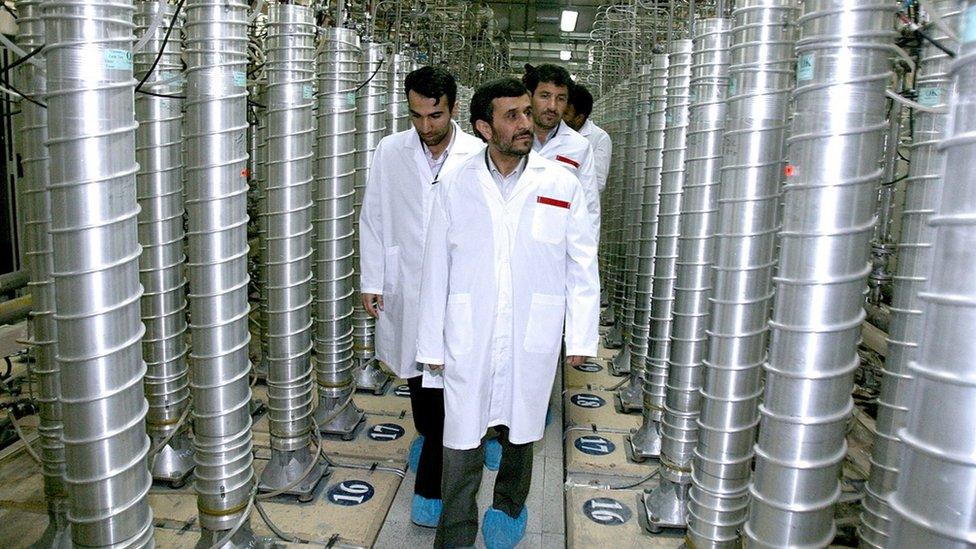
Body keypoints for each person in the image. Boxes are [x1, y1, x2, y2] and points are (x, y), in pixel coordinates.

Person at [415, 78, 600, 548]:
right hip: (469, 328)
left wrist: (580, 335)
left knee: (523, 425)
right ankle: (455, 532)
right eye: (512, 116)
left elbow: (581, 261)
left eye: (526, 112)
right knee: (461, 437)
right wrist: (430, 345)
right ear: (483, 127)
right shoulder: (455, 183)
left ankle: (509, 507)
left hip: (531, 327)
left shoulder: (560, 182)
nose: (527, 123)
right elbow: (436, 265)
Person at [358, 65, 483, 528]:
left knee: (451, 385)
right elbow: (373, 215)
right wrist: (373, 278)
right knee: (418, 377)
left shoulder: (477, 153)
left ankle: (432, 483)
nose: (425, 127)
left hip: (458, 290)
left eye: (435, 116)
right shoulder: (391, 150)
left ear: (453, 108)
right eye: (416, 116)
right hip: (407, 284)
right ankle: (432, 439)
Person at [522, 63, 600, 237]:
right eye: (545, 96)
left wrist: (586, 259)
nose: (552, 106)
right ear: (529, 96)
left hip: (557, 243)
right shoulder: (512, 138)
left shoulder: (579, 146)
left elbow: (589, 207)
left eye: (561, 98)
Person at [564, 83, 612, 194]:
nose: (560, 117)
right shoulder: (554, 132)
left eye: (566, 114)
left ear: (579, 118)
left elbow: (598, 182)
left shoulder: (599, 138)